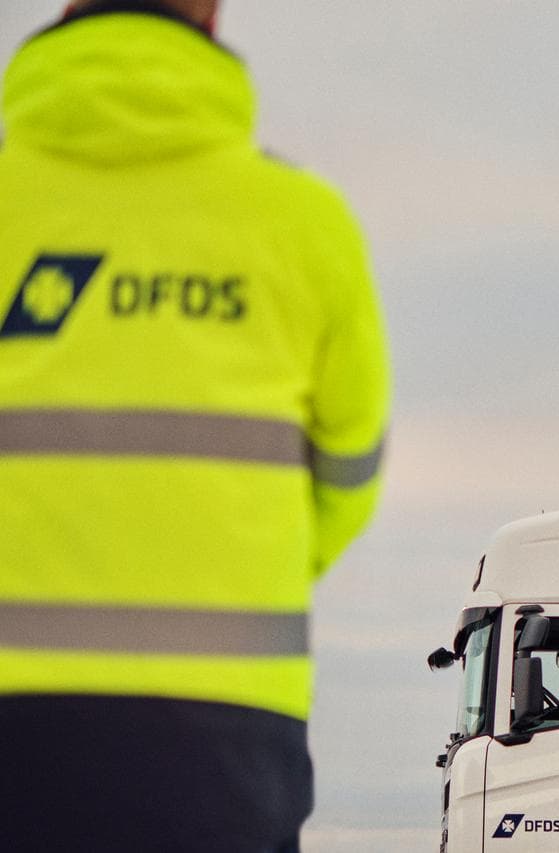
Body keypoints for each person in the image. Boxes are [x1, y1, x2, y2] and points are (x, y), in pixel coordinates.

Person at [0, 1, 390, 849]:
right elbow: (350, 478)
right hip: (222, 749)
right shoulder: (305, 229)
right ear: (213, 14)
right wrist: (229, 569)